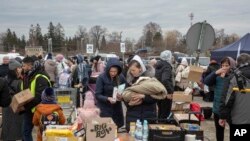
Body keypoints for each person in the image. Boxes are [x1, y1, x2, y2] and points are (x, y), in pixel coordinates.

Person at [204, 57, 236, 141]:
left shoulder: (234, 78)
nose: (224, 67)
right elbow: (206, 81)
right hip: (218, 108)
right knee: (219, 130)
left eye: (227, 65)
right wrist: (215, 73)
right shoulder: (218, 77)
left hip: (230, 109)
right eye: (222, 65)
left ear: (231, 66)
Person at [219, 53, 250, 138]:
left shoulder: (233, 78)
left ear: (237, 63)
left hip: (238, 121)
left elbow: (226, 99)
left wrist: (222, 116)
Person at [21, 56, 51, 141]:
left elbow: (39, 97)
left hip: (39, 109)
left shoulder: (40, 78)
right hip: (30, 109)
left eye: (24, 65)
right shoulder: (28, 75)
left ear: (31, 66)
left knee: (42, 134)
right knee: (25, 132)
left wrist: (26, 106)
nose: (23, 67)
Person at [125, 55, 158, 132]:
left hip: (148, 115)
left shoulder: (150, 80)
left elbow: (157, 97)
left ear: (140, 68)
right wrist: (129, 103)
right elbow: (125, 96)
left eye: (133, 70)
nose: (131, 72)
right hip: (133, 115)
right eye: (130, 70)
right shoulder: (129, 81)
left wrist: (144, 97)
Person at [95, 58, 126, 128]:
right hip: (104, 108)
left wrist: (122, 95)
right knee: (105, 129)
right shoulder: (101, 77)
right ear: (108, 69)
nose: (113, 73)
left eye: (115, 71)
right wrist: (107, 98)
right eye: (111, 71)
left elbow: (126, 88)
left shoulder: (121, 77)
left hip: (116, 108)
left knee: (116, 128)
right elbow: (97, 95)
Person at [1, 59, 24, 141]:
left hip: (8, 107)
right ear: (14, 69)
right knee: (14, 129)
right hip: (14, 107)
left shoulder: (5, 78)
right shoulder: (18, 81)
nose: (21, 69)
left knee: (10, 129)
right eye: (19, 68)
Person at [155, 50, 174, 121]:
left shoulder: (159, 65)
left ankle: (158, 127)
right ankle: (163, 128)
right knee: (165, 113)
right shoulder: (167, 66)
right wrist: (169, 91)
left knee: (160, 112)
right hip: (166, 93)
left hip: (159, 91)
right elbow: (165, 79)